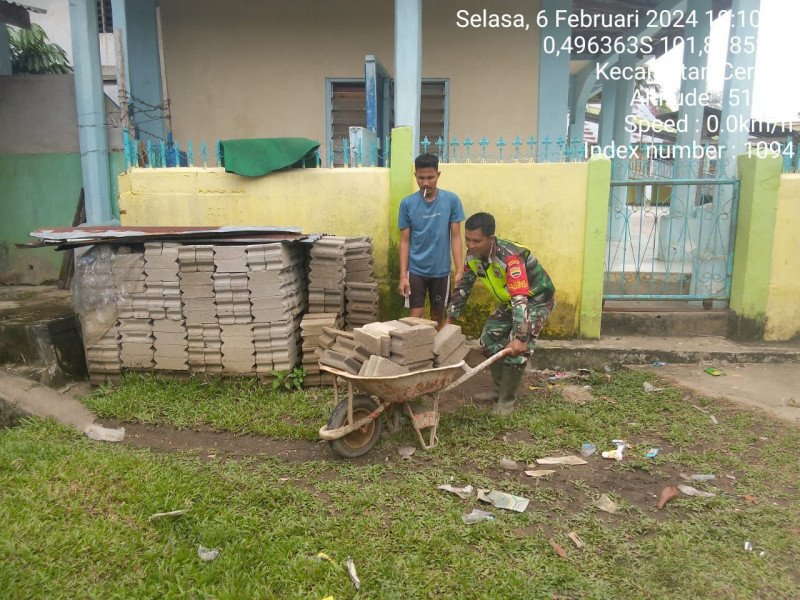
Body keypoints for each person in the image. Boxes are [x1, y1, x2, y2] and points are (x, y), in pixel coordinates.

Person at [444, 212, 556, 416]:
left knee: (516, 348)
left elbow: (520, 299)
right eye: (468, 239)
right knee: (488, 339)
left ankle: (506, 401)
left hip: (536, 300)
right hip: (511, 301)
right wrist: (449, 319)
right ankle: (498, 389)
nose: (471, 245)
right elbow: (464, 287)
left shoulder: (511, 259)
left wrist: (520, 337)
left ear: (491, 238)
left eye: (476, 241)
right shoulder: (473, 256)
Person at [398, 153, 466, 327]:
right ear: (415, 176)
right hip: (415, 270)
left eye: (430, 177)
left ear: (438, 175)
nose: (426, 183)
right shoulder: (407, 204)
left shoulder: (451, 200)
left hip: (441, 271)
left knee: (437, 315)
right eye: (421, 178)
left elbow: (456, 237)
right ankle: (415, 345)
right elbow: (404, 241)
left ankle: (433, 344)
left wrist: (459, 270)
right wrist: (403, 275)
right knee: (416, 315)